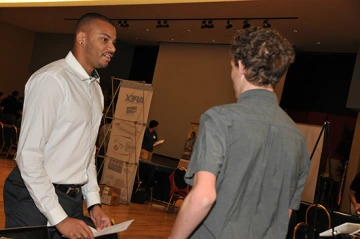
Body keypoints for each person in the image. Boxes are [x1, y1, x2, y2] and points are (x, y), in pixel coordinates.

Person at [169, 27, 310, 239]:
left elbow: (203, 196)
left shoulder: (219, 119)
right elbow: (285, 212)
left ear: (241, 66)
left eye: (232, 66)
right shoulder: (298, 138)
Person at [3, 13, 117, 239]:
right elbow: (28, 155)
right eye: (105, 39)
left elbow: (86, 156)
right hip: (31, 197)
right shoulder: (52, 80)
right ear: (82, 38)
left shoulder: (95, 90)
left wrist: (94, 203)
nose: (112, 48)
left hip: (72, 198)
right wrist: (60, 218)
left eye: (114, 42)